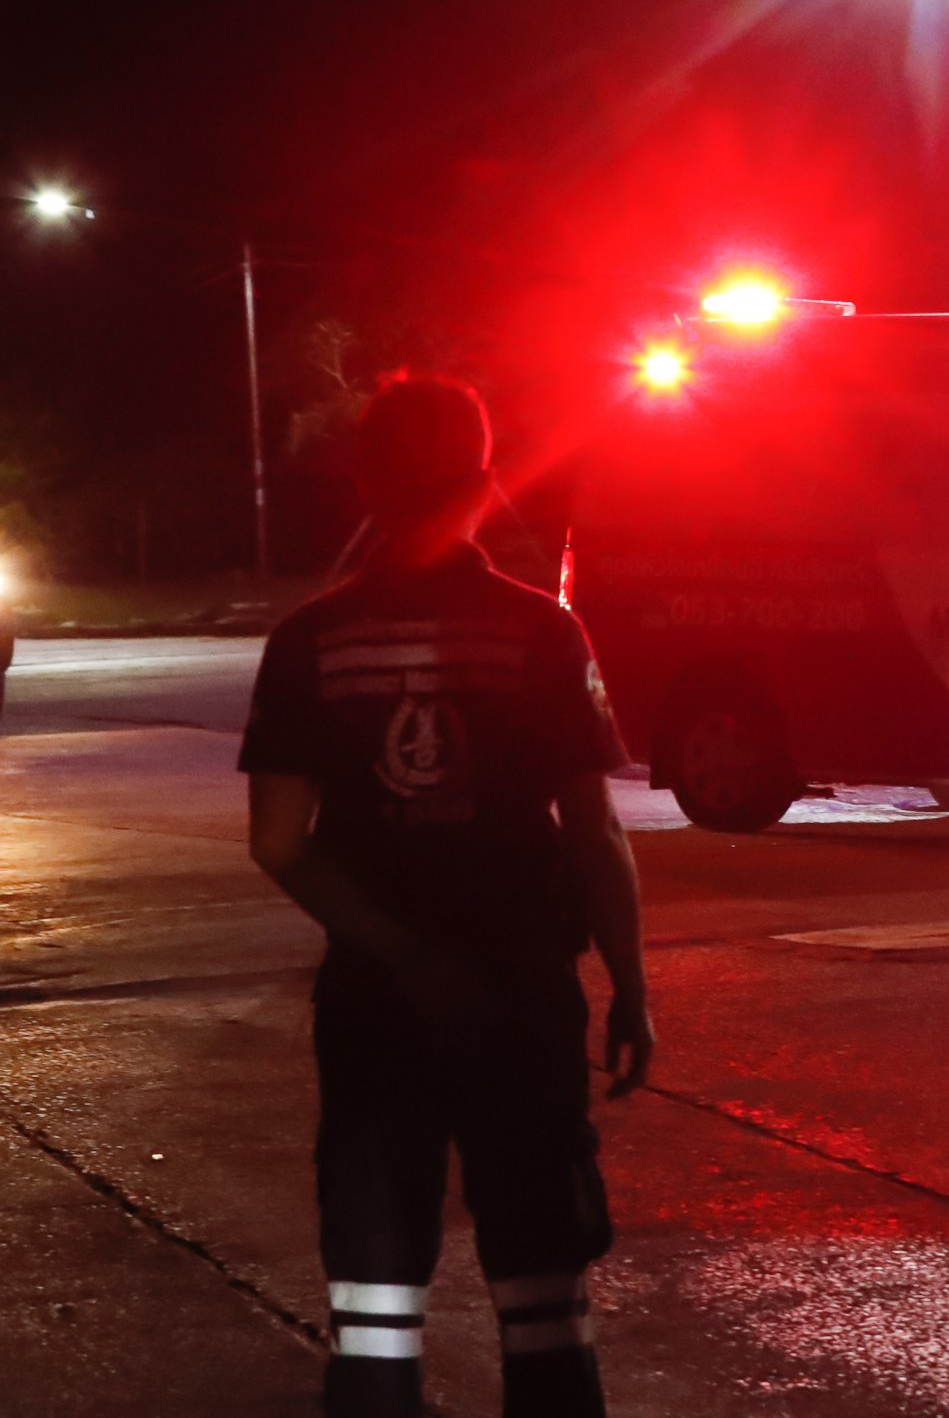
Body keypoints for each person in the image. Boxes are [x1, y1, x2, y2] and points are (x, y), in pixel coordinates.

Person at [242, 374, 652, 1418]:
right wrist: (632, 986)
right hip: (521, 993)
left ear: (365, 480)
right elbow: (595, 833)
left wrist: (403, 953)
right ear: (482, 483)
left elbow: (282, 844)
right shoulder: (541, 634)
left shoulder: (308, 644)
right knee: (541, 1284)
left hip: (377, 1007)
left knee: (375, 1292)